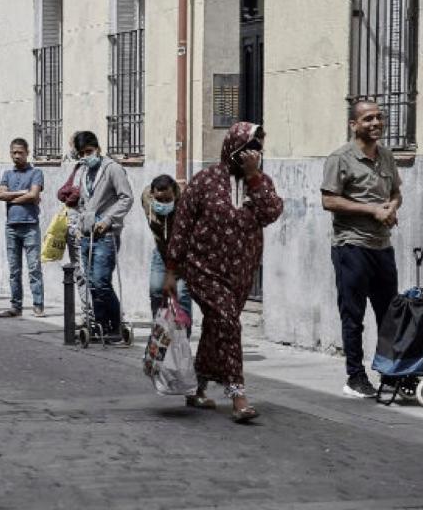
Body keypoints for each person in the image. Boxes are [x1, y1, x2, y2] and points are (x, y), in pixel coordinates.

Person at [167, 122, 282, 423]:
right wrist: (171, 270)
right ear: (234, 147)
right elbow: (181, 226)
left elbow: (271, 213)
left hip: (241, 272)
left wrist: (255, 178)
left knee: (217, 326)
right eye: (249, 147)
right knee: (228, 322)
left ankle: (197, 385)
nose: (254, 153)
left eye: (258, 148)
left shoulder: (261, 182)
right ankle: (237, 394)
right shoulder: (205, 181)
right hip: (203, 268)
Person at [321, 99, 403, 399]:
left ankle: (390, 375)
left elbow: (396, 192)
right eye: (368, 119)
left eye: (379, 118)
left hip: (382, 246)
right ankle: (355, 377)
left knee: (389, 315)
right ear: (354, 124)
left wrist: (391, 206)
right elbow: (329, 201)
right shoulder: (340, 158)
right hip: (351, 246)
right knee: (353, 315)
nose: (376, 123)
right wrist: (372, 210)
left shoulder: (386, 156)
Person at [70, 131, 134, 340]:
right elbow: (82, 203)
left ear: (97, 148)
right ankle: (100, 324)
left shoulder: (113, 169)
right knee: (90, 282)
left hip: (106, 235)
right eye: (82, 153)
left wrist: (108, 220)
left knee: (101, 281)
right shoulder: (84, 171)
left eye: (89, 151)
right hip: (87, 235)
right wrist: (80, 226)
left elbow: (126, 198)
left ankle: (116, 324)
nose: (86, 156)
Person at [0, 138, 45, 317]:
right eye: (14, 152)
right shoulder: (7, 174)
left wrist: (14, 197)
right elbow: (0, 195)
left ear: (27, 152)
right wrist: (21, 193)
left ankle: (38, 304)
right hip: (11, 227)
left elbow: (34, 195)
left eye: (20, 152)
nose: (17, 156)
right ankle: (15, 306)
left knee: (34, 268)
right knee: (14, 269)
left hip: (30, 225)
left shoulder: (36, 173)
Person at [142, 174, 193, 328]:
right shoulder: (146, 198)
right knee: (156, 289)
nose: (164, 204)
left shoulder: (186, 202)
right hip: (161, 250)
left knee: (182, 294)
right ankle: (160, 330)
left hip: (184, 255)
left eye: (168, 200)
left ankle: (182, 336)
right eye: (160, 200)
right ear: (152, 194)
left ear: (175, 194)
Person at [56, 134, 94, 327]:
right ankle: (88, 314)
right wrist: (67, 194)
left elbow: (73, 195)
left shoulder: (90, 168)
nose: (70, 149)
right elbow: (62, 191)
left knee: (85, 273)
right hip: (73, 227)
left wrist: (68, 194)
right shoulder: (78, 167)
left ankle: (91, 316)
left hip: (84, 228)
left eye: (71, 145)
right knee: (80, 272)